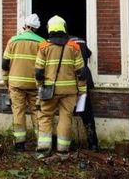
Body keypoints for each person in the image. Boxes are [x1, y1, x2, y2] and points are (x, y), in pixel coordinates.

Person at [35, 15, 87, 157]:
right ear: (64, 28)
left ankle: (44, 150)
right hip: (70, 91)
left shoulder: (43, 47)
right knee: (66, 117)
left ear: (49, 29)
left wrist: (40, 87)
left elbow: (38, 72)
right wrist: (82, 91)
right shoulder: (74, 47)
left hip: (49, 89)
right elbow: (81, 72)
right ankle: (63, 150)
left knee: (45, 117)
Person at [1, 13, 43, 151]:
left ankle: (19, 144)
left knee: (18, 112)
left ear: (24, 26)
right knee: (37, 112)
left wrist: (6, 81)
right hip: (34, 85)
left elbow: (5, 64)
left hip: (16, 84)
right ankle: (41, 143)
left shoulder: (13, 41)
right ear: (36, 28)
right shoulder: (42, 43)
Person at [69, 34, 99, 150]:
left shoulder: (66, 43)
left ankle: (69, 143)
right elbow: (89, 54)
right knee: (87, 113)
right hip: (85, 78)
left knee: (67, 113)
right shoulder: (81, 41)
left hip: (71, 80)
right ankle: (93, 143)